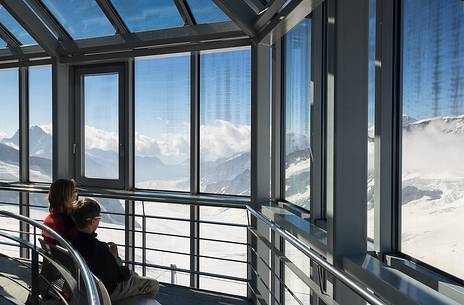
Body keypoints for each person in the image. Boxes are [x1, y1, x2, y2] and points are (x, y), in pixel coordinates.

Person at [71, 198, 159, 301]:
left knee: (134, 276)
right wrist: (114, 257)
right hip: (107, 291)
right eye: (99, 218)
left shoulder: (73, 242)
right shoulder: (99, 249)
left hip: (85, 288)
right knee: (152, 284)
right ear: (93, 221)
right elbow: (119, 276)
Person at [42, 179, 79, 243]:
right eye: (74, 192)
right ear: (66, 196)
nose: (76, 195)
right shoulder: (67, 221)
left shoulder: (50, 219)